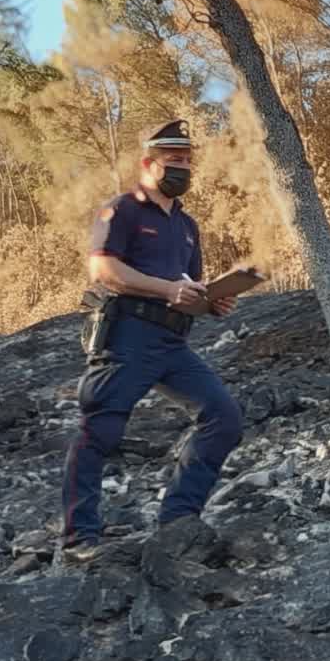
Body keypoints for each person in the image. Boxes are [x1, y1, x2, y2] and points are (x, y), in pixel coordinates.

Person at [59, 120, 243, 564]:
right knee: (99, 431)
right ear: (148, 164)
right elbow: (103, 270)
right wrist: (165, 291)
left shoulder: (187, 226)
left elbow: (188, 285)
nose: (182, 168)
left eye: (186, 161)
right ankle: (79, 538)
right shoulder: (121, 210)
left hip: (173, 342)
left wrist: (210, 301)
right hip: (127, 336)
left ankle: (178, 521)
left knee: (224, 417)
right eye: (173, 161)